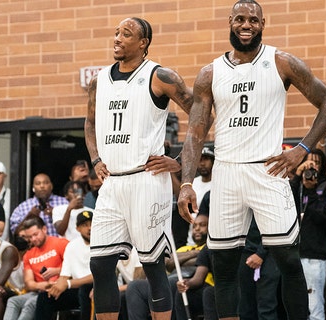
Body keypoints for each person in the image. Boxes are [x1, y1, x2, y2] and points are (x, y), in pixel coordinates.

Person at [177, 1, 326, 319]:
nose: (246, 24)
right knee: (223, 265)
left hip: (268, 169)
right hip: (225, 172)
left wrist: (302, 149)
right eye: (240, 18)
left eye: (253, 19)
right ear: (230, 22)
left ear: (263, 23)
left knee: (288, 260)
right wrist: (186, 182)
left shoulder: (281, 62)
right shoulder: (209, 73)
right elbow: (196, 133)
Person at [84, 15, 194, 320]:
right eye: (116, 33)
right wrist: (95, 159)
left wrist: (181, 161)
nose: (117, 38)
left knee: (152, 264)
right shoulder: (99, 80)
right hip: (112, 183)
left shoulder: (159, 76)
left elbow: (201, 114)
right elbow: (90, 123)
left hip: (147, 180)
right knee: (100, 265)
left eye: (126, 34)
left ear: (143, 43)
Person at [291, 149, 326, 320]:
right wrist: (297, 175)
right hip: (293, 253)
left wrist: (311, 191)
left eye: (316, 162)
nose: (312, 166)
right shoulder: (298, 186)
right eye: (308, 162)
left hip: (314, 253)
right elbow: (286, 200)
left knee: (314, 304)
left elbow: (321, 216)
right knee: (294, 304)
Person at [4, 215, 68, 320]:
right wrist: (44, 285)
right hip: (40, 291)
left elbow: (75, 268)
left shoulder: (61, 243)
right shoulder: (28, 255)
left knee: (31, 303)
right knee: (13, 301)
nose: (33, 239)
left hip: (60, 289)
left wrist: (56, 271)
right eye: (29, 237)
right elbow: (29, 283)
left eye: (35, 234)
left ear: (44, 229)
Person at [36, 210, 94, 320]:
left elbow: (98, 275)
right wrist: (56, 286)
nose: (90, 228)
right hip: (75, 289)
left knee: (84, 290)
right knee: (46, 296)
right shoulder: (72, 245)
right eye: (85, 225)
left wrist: (68, 283)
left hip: (97, 288)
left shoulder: (102, 244)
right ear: (78, 229)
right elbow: (64, 275)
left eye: (92, 224)